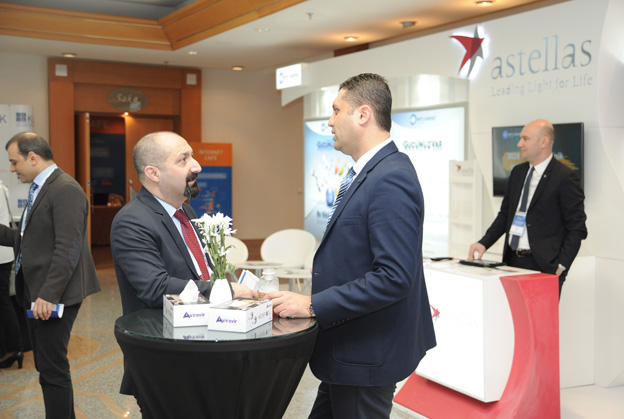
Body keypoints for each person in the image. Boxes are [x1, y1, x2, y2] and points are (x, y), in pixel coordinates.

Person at [268, 73, 436, 419]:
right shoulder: (370, 172)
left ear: (362, 115)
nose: (329, 122)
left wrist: (312, 304)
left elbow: (393, 277)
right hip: (349, 350)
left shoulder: (390, 178)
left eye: (336, 110)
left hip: (366, 354)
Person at [110, 131, 255, 414]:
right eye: (183, 159)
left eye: (193, 156)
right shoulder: (132, 221)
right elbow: (155, 288)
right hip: (166, 364)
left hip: (203, 353)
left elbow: (200, 272)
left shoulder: (186, 213)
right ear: (153, 173)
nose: (196, 166)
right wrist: (224, 290)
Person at [0, 132, 101, 418]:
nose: (12, 169)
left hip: (54, 295)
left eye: (14, 162)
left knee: (52, 368)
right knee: (46, 366)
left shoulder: (65, 189)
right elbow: (27, 239)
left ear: (32, 157)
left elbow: (68, 248)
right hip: (38, 292)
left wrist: (48, 295)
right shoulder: (42, 188)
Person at [468, 119, 587, 298]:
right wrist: (484, 242)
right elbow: (505, 215)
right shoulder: (518, 172)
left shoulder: (565, 177)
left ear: (543, 142)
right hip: (512, 263)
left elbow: (577, 228)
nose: (519, 144)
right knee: (510, 315)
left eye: (525, 139)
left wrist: (561, 265)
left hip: (544, 267)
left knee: (539, 317)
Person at [0, 180, 23, 369]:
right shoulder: (2, 187)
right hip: (5, 254)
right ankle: (14, 348)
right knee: (3, 302)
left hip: (1, 254)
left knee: (3, 303)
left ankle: (13, 347)